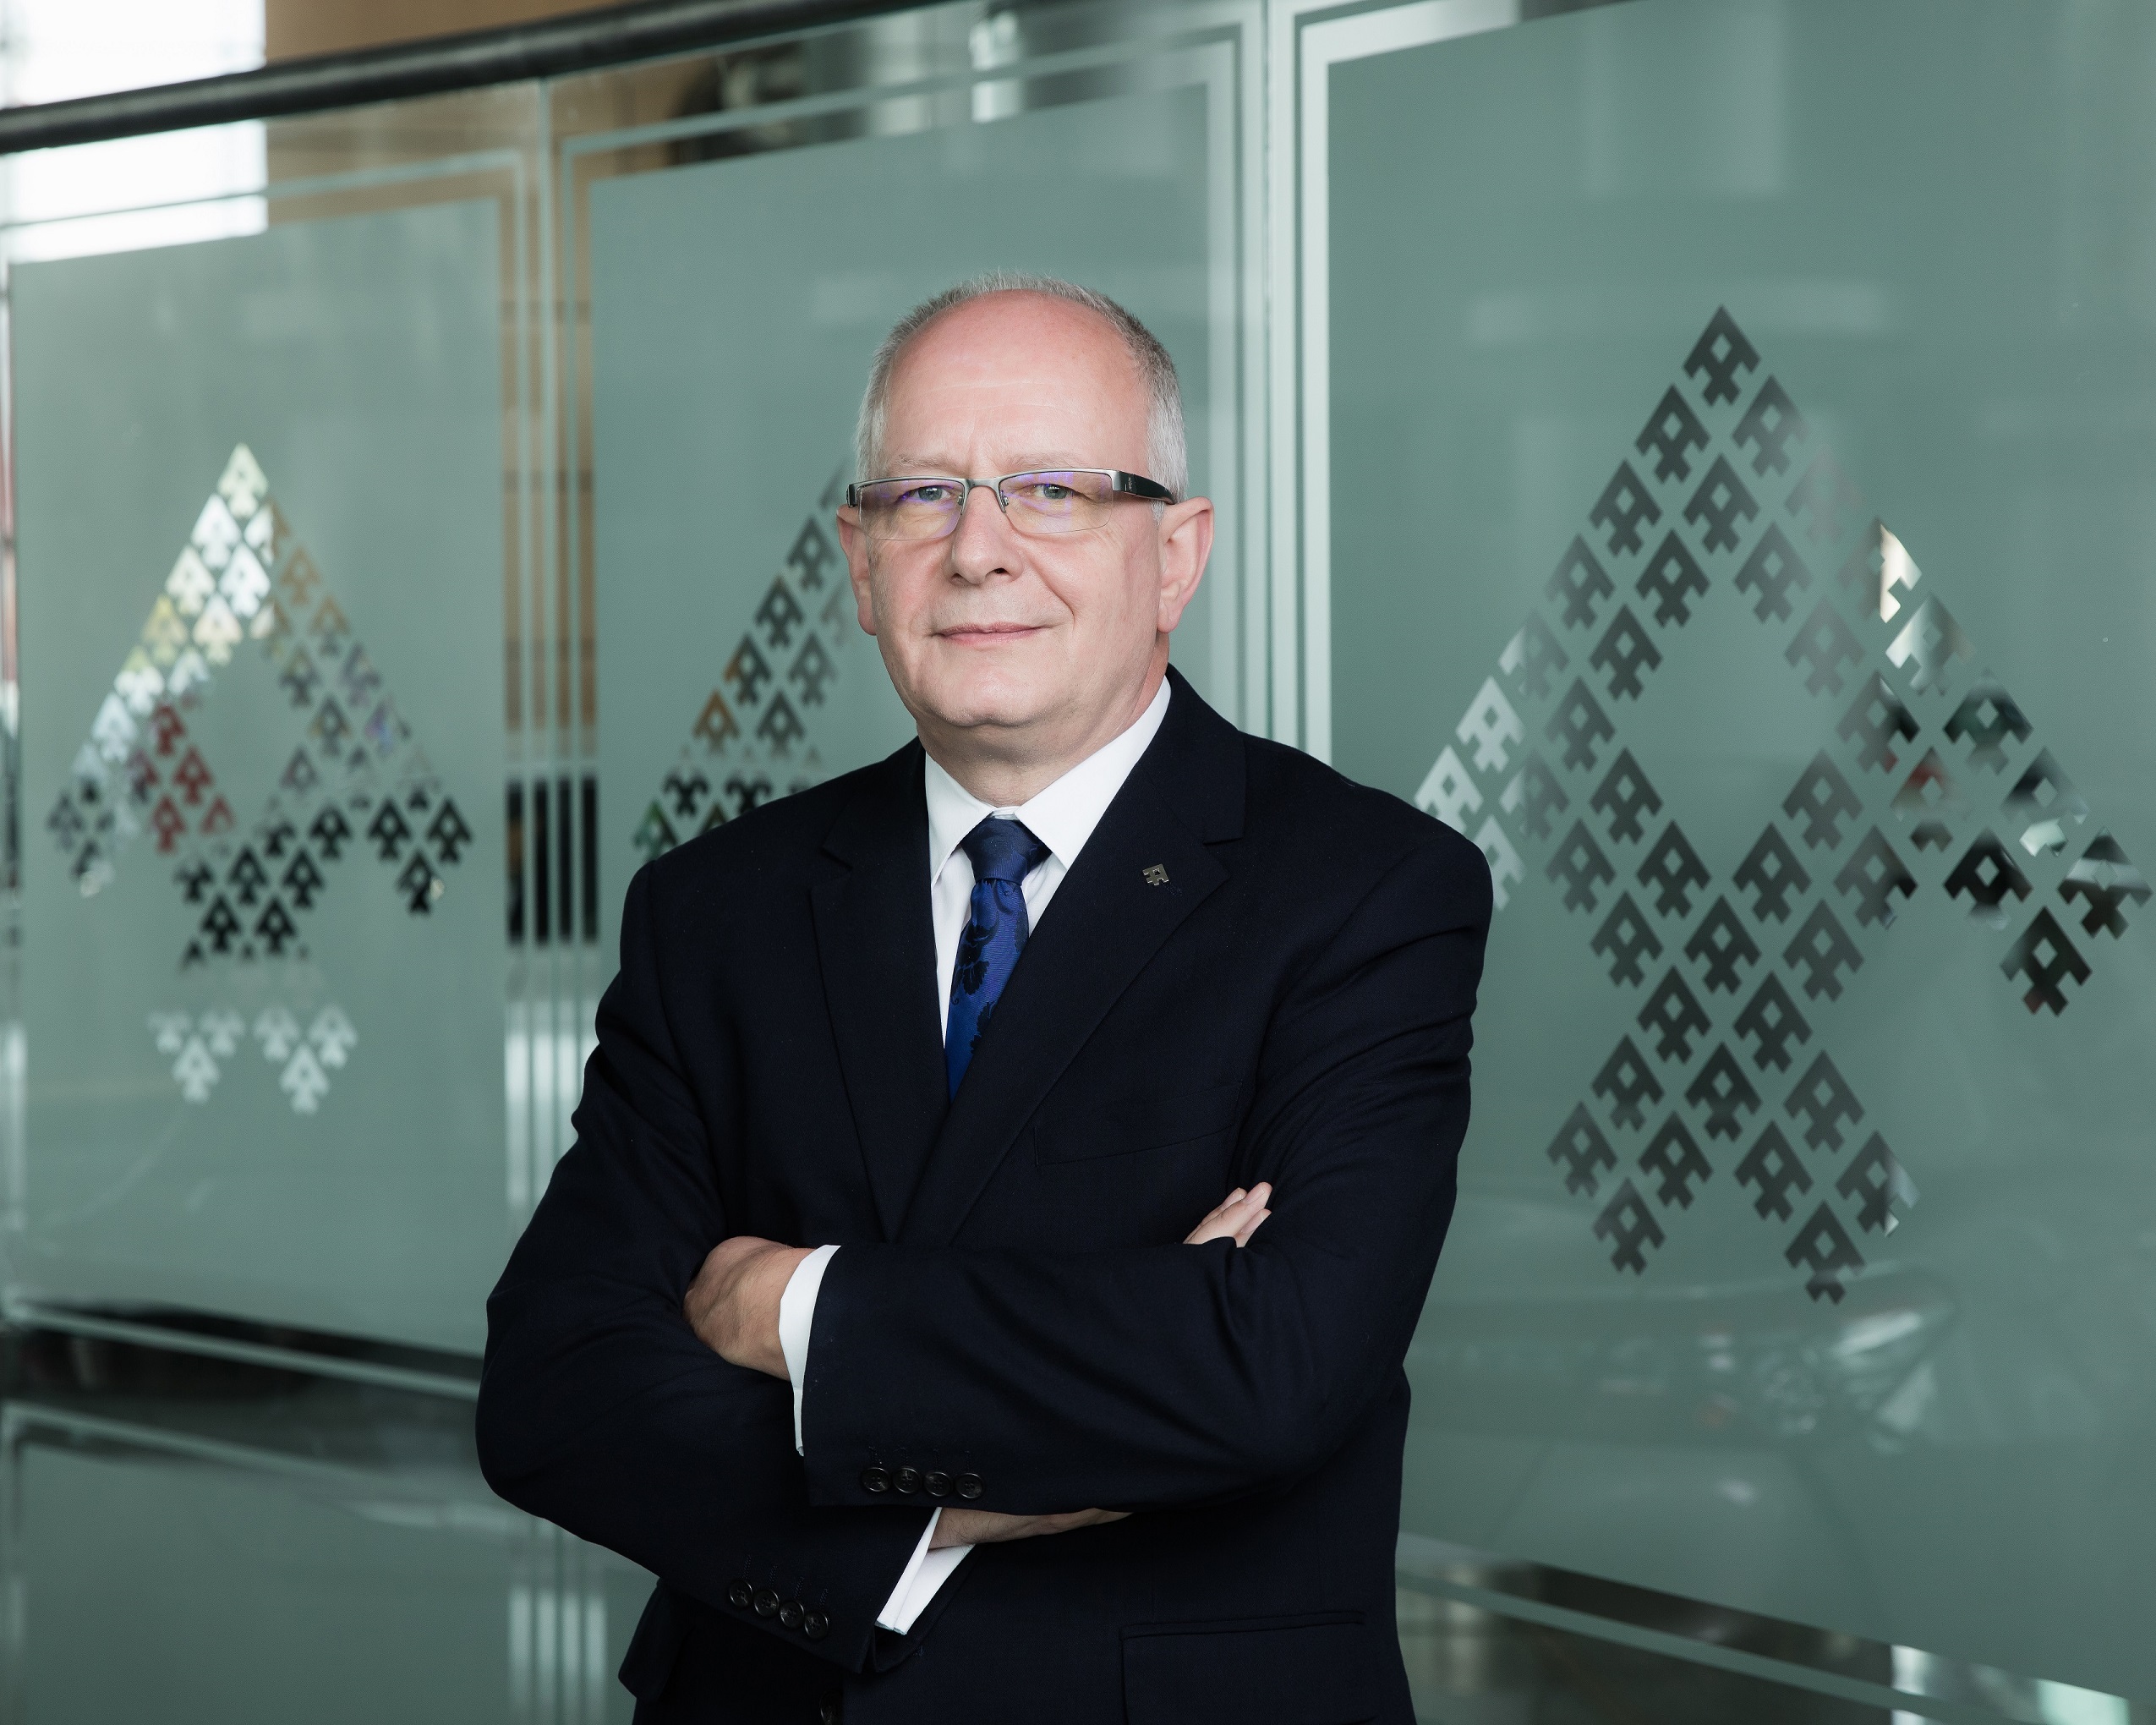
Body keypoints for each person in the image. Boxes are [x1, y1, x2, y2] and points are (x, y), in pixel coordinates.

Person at [477, 272, 1491, 1724]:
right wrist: (960, 1498)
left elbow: (1273, 1368)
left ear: (1175, 555)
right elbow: (554, 1387)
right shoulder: (717, 908)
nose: (976, 550)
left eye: (1052, 491)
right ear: (859, 561)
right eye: (921, 496)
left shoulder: (1365, 891)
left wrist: (792, 1305)